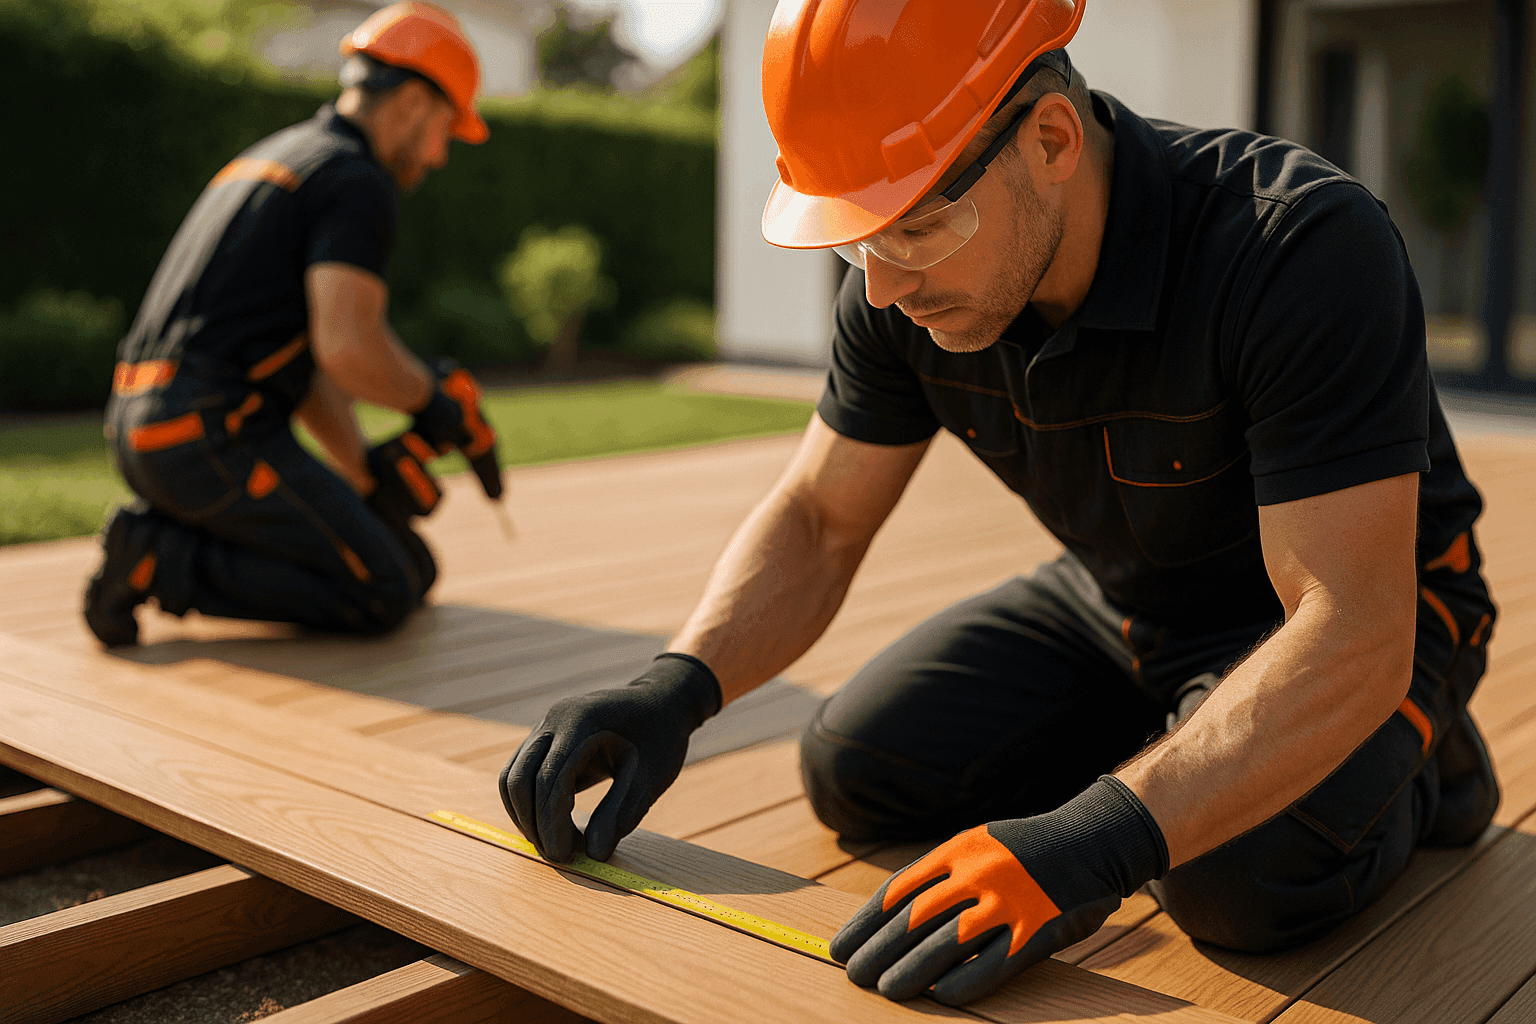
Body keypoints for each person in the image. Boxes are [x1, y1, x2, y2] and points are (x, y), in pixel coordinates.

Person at [501, 0, 1499, 1005]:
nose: (883, 287)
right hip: (1123, 600)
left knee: (1239, 882)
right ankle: (1179, 741)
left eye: (920, 225)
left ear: (1053, 138)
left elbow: (1351, 624)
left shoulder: (1293, 247)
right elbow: (819, 516)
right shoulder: (903, 292)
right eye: (857, 242)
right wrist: (678, 684)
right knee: (858, 765)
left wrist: (1091, 842)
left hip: (1361, 620)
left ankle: (1425, 768)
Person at [84, 2, 498, 646]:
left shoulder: (284, 155)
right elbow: (349, 348)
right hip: (210, 437)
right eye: (447, 125)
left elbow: (306, 364)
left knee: (409, 567)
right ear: (415, 102)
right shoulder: (356, 180)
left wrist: (361, 476)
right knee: (381, 589)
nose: (441, 155)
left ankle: (164, 543)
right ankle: (157, 558)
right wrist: (436, 401)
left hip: (148, 429)